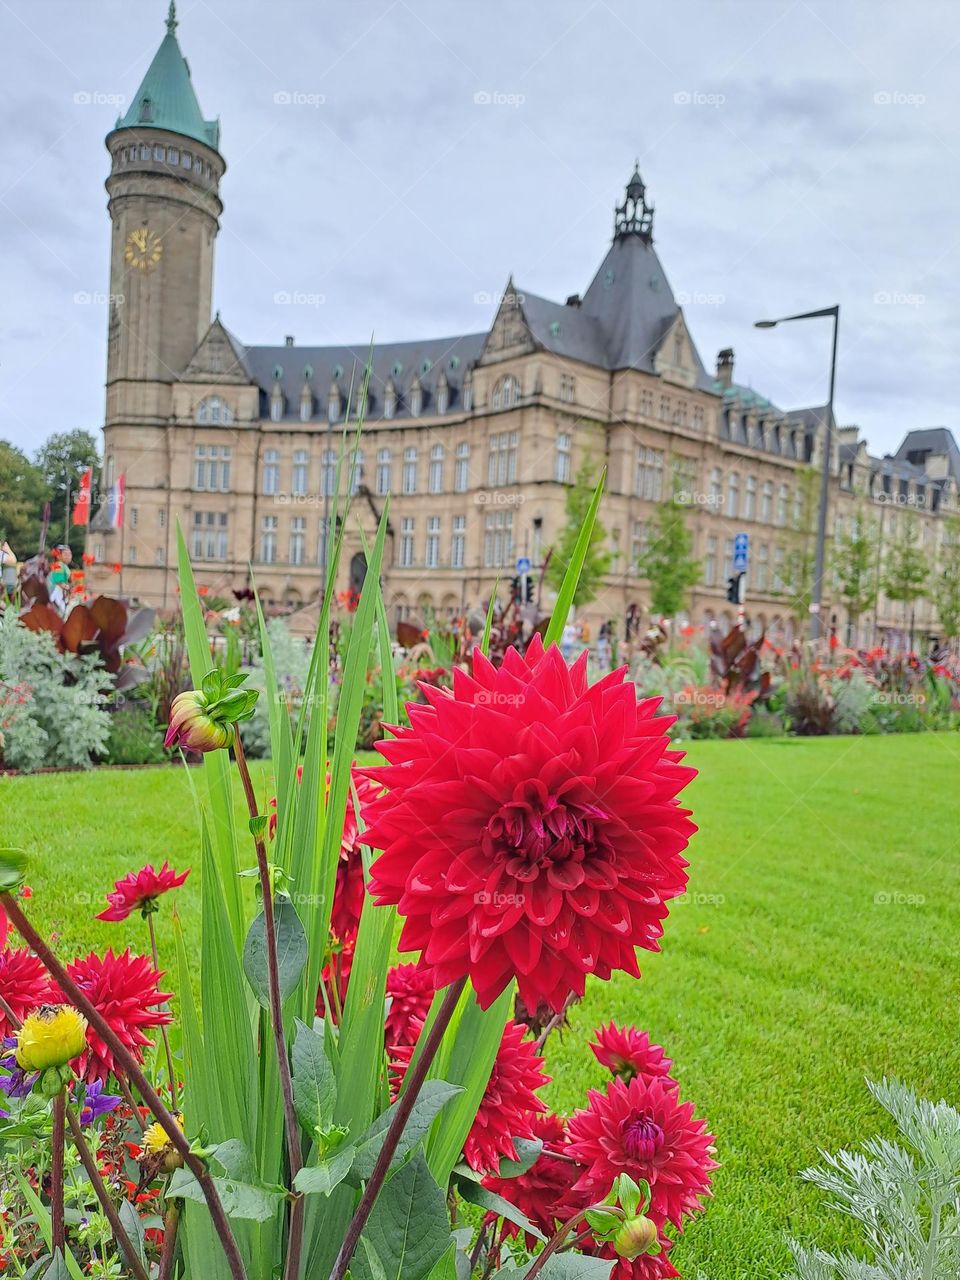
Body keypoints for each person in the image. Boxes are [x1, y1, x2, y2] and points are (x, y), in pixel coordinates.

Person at [48, 544, 73, 615]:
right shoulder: (58, 565)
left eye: (70, 554)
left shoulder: (64, 566)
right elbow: (59, 582)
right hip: (56, 592)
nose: (69, 556)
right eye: (66, 554)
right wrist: (68, 588)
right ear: (58, 556)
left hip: (61, 592)